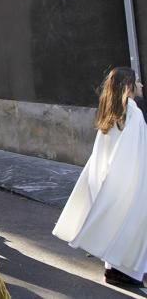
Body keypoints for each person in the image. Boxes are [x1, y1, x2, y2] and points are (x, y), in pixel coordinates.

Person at [53, 67, 147, 289]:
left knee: (116, 221)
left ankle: (112, 269)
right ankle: (127, 273)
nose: (141, 86)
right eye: (138, 82)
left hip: (111, 179)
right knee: (132, 225)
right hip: (130, 180)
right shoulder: (132, 112)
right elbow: (136, 151)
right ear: (128, 86)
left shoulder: (111, 112)